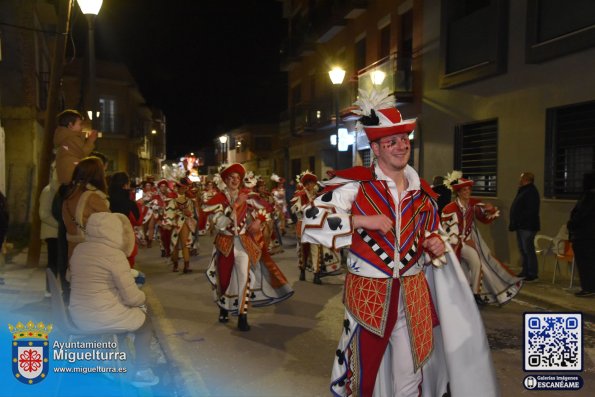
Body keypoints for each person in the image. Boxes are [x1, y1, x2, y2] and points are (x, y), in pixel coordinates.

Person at [301, 89, 498, 396]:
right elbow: (312, 218)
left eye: (404, 139)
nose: (401, 145)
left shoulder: (424, 195)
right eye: (391, 141)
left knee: (410, 379)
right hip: (370, 295)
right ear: (376, 149)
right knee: (363, 381)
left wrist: (434, 244)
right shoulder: (355, 185)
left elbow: (432, 233)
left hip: (414, 295)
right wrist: (362, 220)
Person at [69, 212, 159, 387]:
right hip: (103, 318)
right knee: (145, 324)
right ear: (115, 231)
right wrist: (143, 296)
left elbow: (70, 276)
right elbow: (133, 298)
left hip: (78, 316)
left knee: (122, 316)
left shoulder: (79, 250)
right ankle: (142, 371)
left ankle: (109, 360)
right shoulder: (115, 255)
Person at [204, 163, 293, 331]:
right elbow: (221, 223)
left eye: (238, 178)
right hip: (225, 243)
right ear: (225, 180)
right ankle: (223, 307)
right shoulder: (218, 199)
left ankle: (242, 315)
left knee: (244, 277)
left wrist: (258, 221)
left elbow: (267, 208)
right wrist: (236, 204)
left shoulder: (248, 196)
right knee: (224, 279)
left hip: (243, 243)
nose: (235, 181)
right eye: (231, 178)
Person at [441, 172, 523, 305]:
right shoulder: (449, 208)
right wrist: (457, 244)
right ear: (459, 193)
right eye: (465, 190)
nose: (468, 192)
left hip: (466, 244)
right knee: (452, 271)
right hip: (452, 246)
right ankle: (452, 296)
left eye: (469, 190)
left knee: (476, 262)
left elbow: (484, 216)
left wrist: (489, 210)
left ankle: (475, 294)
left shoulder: (472, 206)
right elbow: (448, 231)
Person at [290, 171, 341, 284]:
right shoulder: (301, 195)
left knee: (316, 250)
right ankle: (302, 271)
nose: (309, 185)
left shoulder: (318, 195)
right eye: (307, 183)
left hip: (315, 227)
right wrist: (304, 207)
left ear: (314, 184)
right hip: (304, 227)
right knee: (303, 251)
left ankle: (316, 274)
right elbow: (296, 209)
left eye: (311, 183)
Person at [509, 172, 541, 281]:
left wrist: (519, 219)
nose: (519, 180)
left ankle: (532, 273)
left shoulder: (530, 192)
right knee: (523, 249)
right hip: (521, 225)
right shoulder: (524, 190)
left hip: (527, 226)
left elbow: (530, 211)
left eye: (521, 178)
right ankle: (525, 271)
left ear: (526, 179)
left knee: (528, 249)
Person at [567, 172, 595, 297]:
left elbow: (581, 215)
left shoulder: (589, 196)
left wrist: (571, 224)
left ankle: (588, 287)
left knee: (585, 263)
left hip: (584, 235)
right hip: (587, 235)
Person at [53, 109, 97, 186]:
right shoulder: (71, 138)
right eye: (80, 124)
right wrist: (91, 140)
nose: (82, 127)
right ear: (70, 125)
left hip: (67, 177)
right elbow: (83, 152)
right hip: (72, 177)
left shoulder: (64, 137)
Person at [162, 177, 196, 273]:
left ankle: (186, 266)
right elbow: (168, 211)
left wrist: (189, 213)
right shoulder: (171, 197)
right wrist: (171, 220)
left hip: (185, 221)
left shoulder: (188, 199)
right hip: (175, 222)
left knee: (186, 243)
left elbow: (192, 211)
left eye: (186, 187)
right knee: (175, 244)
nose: (185, 189)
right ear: (178, 187)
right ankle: (175, 264)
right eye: (183, 187)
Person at [109, 171, 142, 268]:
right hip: (127, 241)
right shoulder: (129, 203)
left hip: (110, 239)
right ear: (125, 185)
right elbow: (138, 221)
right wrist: (139, 204)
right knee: (127, 271)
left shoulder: (106, 200)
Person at [40, 164, 59, 297]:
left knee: (59, 262)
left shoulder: (64, 190)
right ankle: (49, 289)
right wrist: (62, 226)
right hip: (53, 233)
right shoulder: (48, 191)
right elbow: (44, 214)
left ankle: (55, 289)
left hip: (60, 232)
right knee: (53, 262)